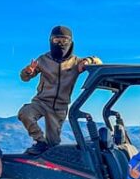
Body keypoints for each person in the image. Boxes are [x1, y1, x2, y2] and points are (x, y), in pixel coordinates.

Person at [18, 25, 102, 155]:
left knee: (53, 144)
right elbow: (24, 78)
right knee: (25, 113)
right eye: (56, 40)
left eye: (64, 40)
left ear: (70, 42)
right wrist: (28, 71)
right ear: (51, 41)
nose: (60, 44)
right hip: (41, 102)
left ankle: (48, 161)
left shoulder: (76, 62)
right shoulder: (43, 59)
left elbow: (98, 61)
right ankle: (40, 142)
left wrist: (87, 61)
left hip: (60, 107)